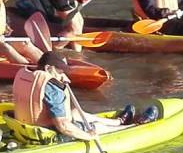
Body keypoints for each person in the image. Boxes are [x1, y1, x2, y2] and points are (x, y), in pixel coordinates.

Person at [13, 51, 159, 142]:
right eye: (60, 72)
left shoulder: (28, 76)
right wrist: (89, 135)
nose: (65, 78)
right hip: (51, 135)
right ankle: (133, 126)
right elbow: (63, 126)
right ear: (48, 69)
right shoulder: (52, 87)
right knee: (95, 128)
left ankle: (118, 122)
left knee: (75, 113)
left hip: (27, 129)